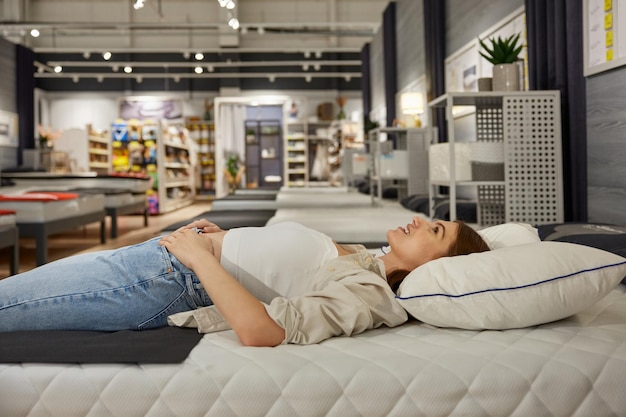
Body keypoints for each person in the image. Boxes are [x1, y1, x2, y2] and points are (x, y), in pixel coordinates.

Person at [0, 217, 489, 346]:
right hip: (165, 259)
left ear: (437, 266)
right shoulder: (368, 260)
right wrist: (227, 238)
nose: (420, 221)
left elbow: (264, 332)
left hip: (162, 279)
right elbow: (286, 265)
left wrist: (201, 258)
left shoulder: (369, 294)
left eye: (436, 230)